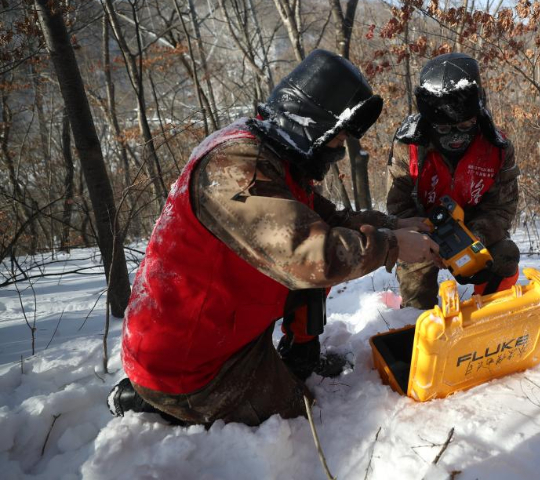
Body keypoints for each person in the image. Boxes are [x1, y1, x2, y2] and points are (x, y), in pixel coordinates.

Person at [108, 50, 439, 426]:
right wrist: (392, 246)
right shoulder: (237, 168)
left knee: (323, 244)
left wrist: (394, 225)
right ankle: (156, 401)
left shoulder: (273, 154)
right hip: (186, 362)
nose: (338, 151)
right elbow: (311, 254)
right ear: (312, 125)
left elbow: (331, 220)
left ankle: (298, 359)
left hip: (229, 335)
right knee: (298, 416)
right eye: (336, 139)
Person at [387, 53, 521, 310]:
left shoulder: (497, 148)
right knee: (414, 273)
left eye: (465, 124)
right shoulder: (409, 147)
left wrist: (475, 238)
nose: (456, 135)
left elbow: (502, 208)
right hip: (424, 229)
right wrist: (432, 241)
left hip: (474, 227)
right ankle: (419, 324)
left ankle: (490, 314)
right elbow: (397, 207)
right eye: (445, 129)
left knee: (505, 255)